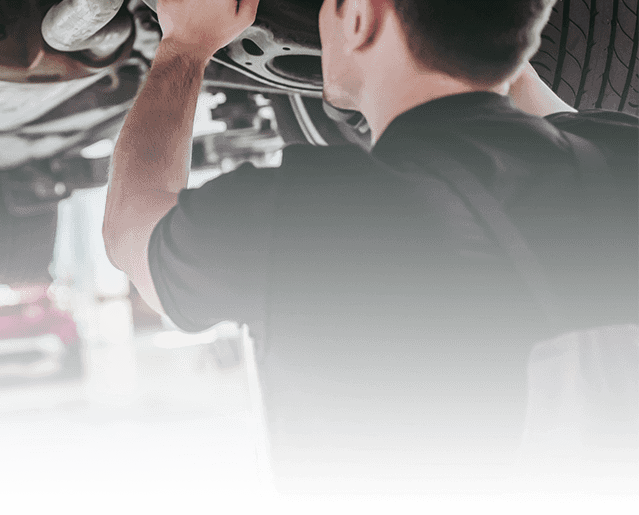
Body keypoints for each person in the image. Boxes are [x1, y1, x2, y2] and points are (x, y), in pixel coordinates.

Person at [103, 0, 638, 493]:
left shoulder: (304, 216)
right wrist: (487, 37)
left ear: (360, 18)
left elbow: (129, 232)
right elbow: (566, 123)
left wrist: (185, 46)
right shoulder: (623, 162)